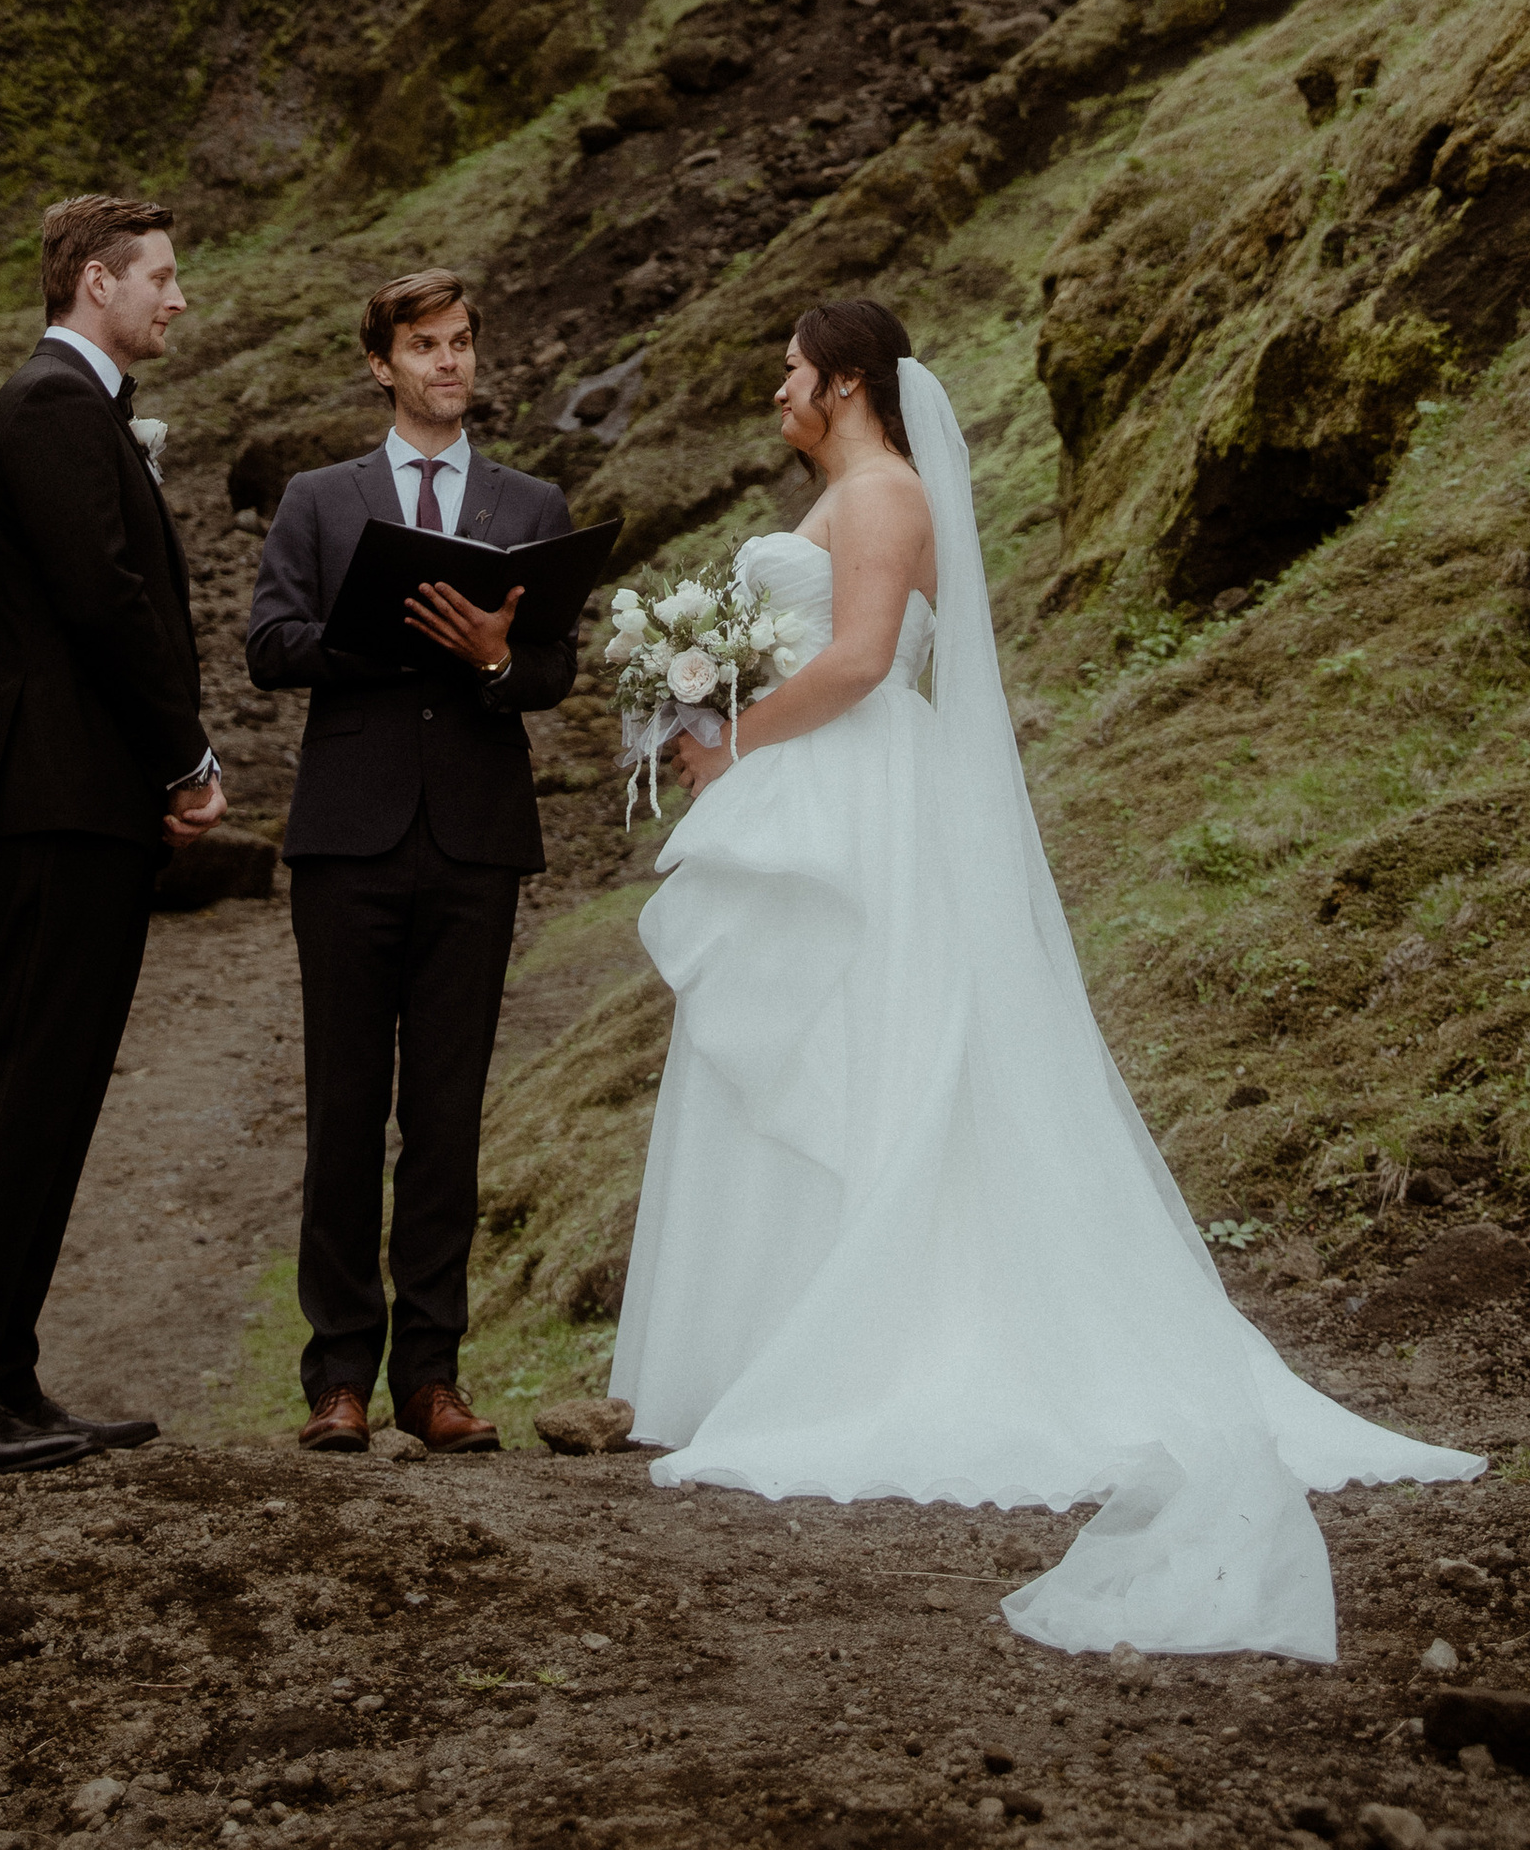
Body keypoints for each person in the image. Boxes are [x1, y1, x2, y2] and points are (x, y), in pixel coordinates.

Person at [610, 295, 1483, 1659]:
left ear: (843, 382)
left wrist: (728, 733)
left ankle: (864, 1343)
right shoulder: (846, 492)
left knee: (861, 1039)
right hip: (816, 795)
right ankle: (759, 1351)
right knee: (801, 1037)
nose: (777, 392)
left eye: (791, 371)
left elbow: (853, 659)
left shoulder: (887, 492)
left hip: (855, 798)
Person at [0, 193, 226, 1477]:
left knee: (55, 1097)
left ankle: (5, 1379)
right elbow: (104, 600)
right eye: (161, 277)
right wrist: (185, 758)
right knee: (19, 1090)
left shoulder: (79, 411)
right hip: (56, 799)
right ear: (97, 281)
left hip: (84, 803)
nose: (177, 298)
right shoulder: (45, 407)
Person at [246, 269, 577, 1457]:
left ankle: (429, 1379)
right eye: (424, 347)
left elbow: (552, 669)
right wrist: (385, 639)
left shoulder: (528, 500)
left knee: (446, 1118)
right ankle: (336, 1376)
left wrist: (494, 656)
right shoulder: (319, 501)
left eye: (462, 343)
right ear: (380, 364)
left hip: (476, 843)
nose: (450, 363)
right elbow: (268, 647)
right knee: (344, 1110)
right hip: (347, 840)